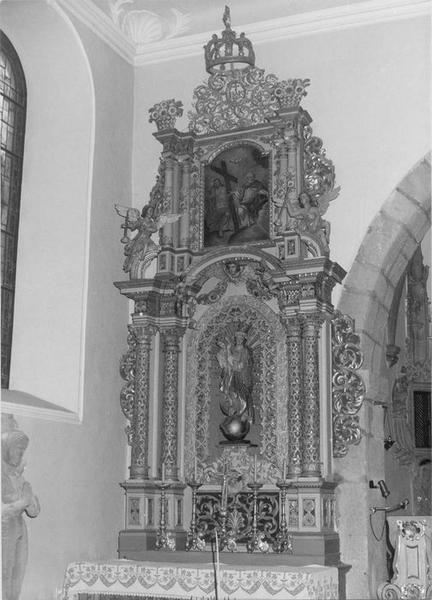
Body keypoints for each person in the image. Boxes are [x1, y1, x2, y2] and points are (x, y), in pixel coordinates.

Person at [2, 429, 40, 600]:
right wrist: (23, 501)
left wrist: (28, 493)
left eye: (23, 450)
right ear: (8, 448)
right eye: (19, 449)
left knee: (18, 574)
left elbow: (34, 511)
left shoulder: (19, 477)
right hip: (4, 529)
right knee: (4, 574)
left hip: (19, 528)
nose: (21, 454)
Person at [216, 332, 254, 423]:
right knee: (230, 395)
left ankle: (243, 415)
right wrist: (225, 350)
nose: (239, 339)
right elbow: (225, 362)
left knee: (241, 396)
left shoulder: (244, 351)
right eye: (238, 337)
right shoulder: (231, 349)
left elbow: (241, 365)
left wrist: (234, 363)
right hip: (230, 376)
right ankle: (233, 413)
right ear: (235, 338)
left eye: (241, 338)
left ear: (244, 339)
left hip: (241, 378)